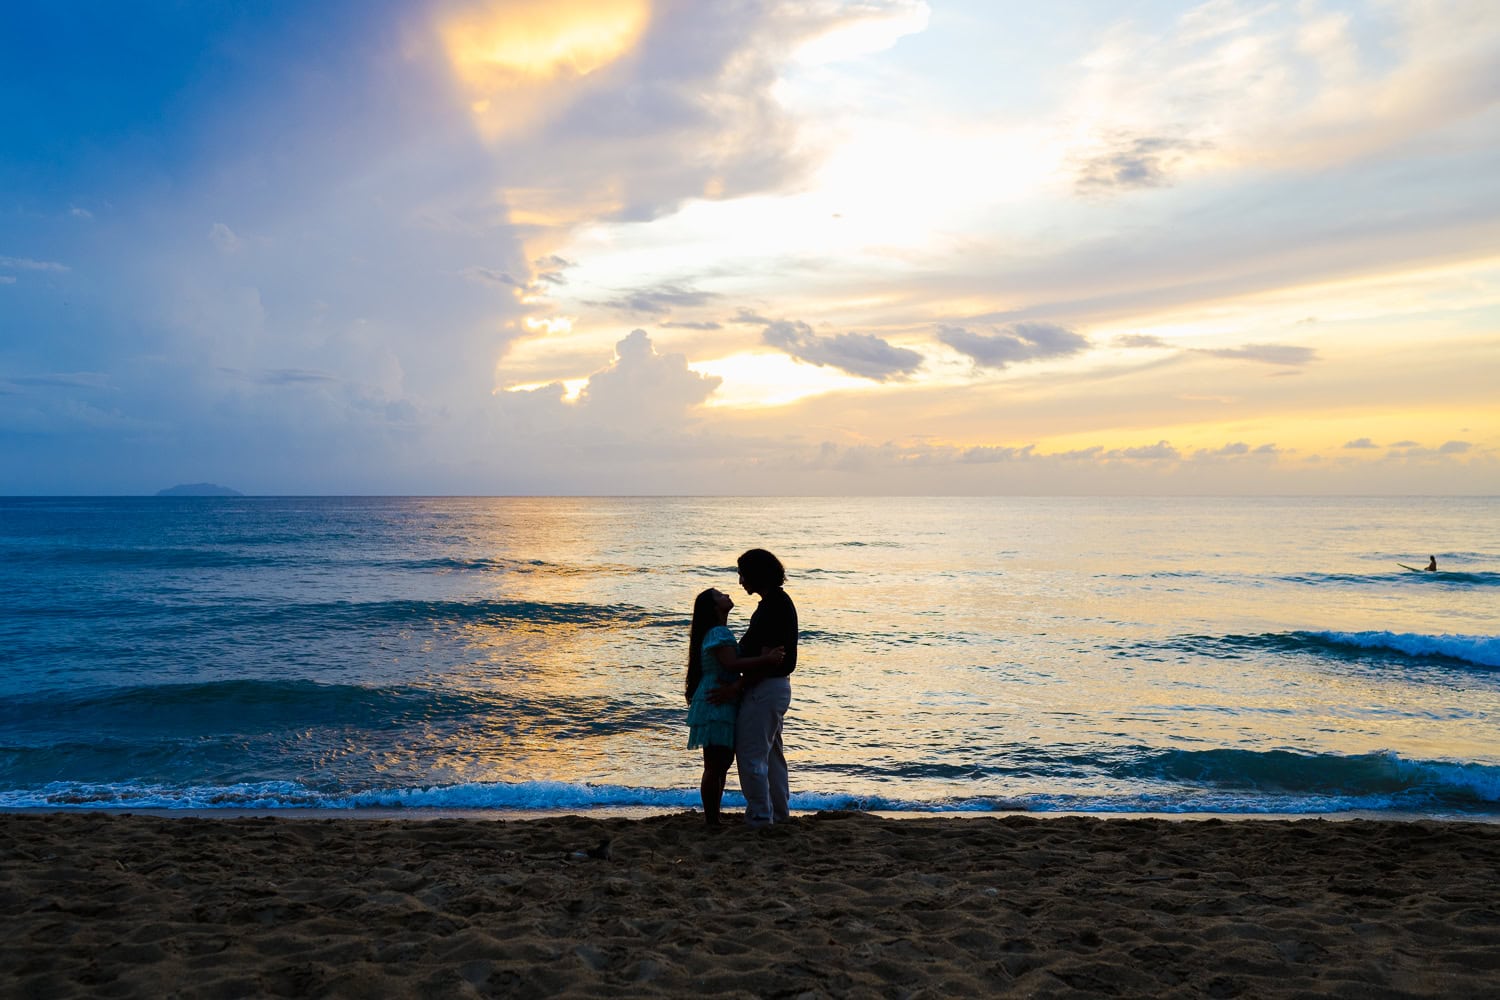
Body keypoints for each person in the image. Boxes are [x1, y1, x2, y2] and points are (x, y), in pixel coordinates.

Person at [711, 548, 798, 828]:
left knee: (751, 755)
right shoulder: (774, 604)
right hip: (773, 687)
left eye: (742, 574)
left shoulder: (773, 608)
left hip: (765, 687)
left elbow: (766, 662)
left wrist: (735, 687)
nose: (740, 582)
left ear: (756, 575)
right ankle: (778, 813)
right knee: (771, 755)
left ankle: (760, 816)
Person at [685, 587, 784, 827]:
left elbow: (731, 664)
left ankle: (714, 817)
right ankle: (711, 819)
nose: (726, 595)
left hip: (720, 699)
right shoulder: (718, 632)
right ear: (714, 607)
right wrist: (766, 659)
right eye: (720, 595)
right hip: (717, 700)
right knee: (716, 763)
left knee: (720, 762)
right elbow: (731, 664)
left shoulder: (716, 632)